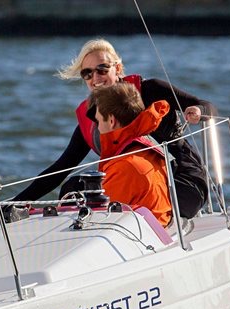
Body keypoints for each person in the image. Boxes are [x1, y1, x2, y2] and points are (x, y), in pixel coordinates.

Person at [12, 38, 215, 219]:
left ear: (117, 68)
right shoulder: (93, 120)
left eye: (102, 69)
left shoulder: (151, 90)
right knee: (72, 189)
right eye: (87, 73)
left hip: (182, 183)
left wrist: (197, 110)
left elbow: (207, 105)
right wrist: (11, 204)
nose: (95, 78)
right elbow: (59, 170)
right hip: (133, 185)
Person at [91, 83, 173, 226]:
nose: (97, 127)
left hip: (140, 240)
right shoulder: (144, 148)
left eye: (98, 120)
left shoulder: (125, 166)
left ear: (111, 121)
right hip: (154, 230)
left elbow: (98, 219)